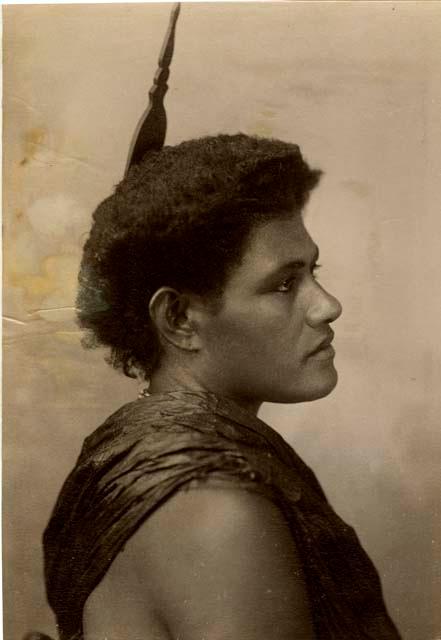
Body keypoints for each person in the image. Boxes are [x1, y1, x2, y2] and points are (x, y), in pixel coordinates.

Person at [41, 134, 402, 640]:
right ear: (180, 318)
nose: (327, 306)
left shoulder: (168, 460)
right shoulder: (213, 508)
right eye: (284, 284)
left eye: (312, 272)